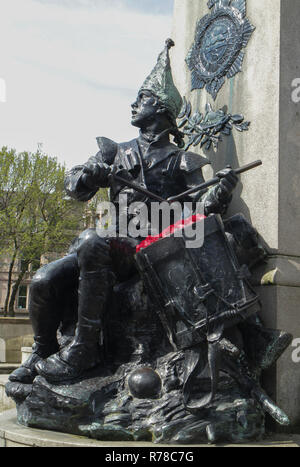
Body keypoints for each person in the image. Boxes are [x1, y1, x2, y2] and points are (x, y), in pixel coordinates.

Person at [9, 39, 238, 384]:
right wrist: (89, 174)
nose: (133, 104)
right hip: (106, 247)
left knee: (92, 240)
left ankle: (84, 350)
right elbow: (74, 188)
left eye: (142, 98)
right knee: (42, 281)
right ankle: (43, 349)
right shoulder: (114, 150)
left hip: (148, 253)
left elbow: (202, 212)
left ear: (161, 109)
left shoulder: (182, 160)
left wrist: (222, 190)